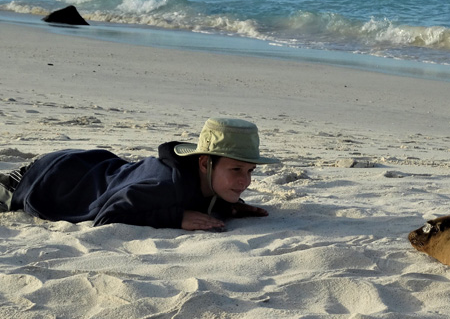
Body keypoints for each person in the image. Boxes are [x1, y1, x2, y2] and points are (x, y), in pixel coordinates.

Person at [0, 118, 278, 231]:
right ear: (204, 163)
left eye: (250, 171)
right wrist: (176, 217)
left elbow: (199, 194)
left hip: (90, 165)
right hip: (48, 178)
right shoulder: (166, 185)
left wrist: (229, 205)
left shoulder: (200, 180)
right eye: (236, 170)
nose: (245, 181)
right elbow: (108, 216)